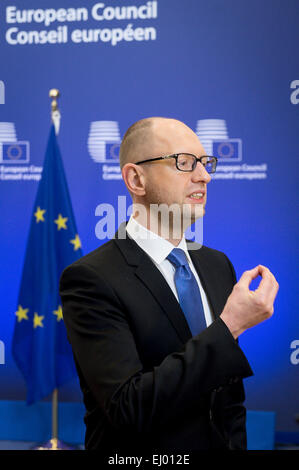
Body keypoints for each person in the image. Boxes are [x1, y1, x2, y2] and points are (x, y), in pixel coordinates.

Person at [59, 117, 279, 452]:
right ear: (136, 178)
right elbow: (128, 408)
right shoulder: (91, 279)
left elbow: (228, 399)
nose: (204, 176)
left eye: (206, 164)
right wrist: (229, 326)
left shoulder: (218, 266)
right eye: (184, 162)